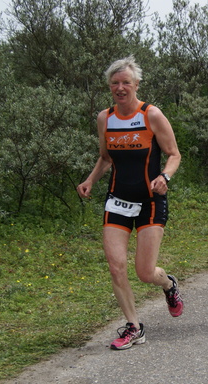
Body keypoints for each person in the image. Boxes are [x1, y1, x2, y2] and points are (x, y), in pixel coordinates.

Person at [77, 56, 183, 350]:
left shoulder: (152, 115)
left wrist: (165, 176)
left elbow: (174, 154)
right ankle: (134, 327)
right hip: (117, 201)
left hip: (150, 200)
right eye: (115, 83)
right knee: (115, 266)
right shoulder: (105, 118)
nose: (120, 88)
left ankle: (168, 284)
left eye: (126, 82)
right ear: (109, 87)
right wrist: (90, 180)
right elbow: (106, 157)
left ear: (136, 84)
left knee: (145, 272)